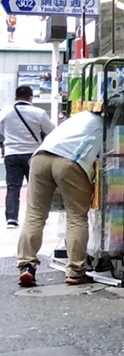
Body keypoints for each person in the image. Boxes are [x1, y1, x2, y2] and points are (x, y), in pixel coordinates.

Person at [15, 110, 104, 288]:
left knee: (34, 214)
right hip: (70, 161)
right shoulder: (105, 126)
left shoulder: (79, 117)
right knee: (76, 217)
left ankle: (27, 265)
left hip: (40, 157)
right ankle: (75, 271)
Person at [1, 85, 55, 229]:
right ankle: (36, 215)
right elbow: (52, 130)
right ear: (31, 98)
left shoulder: (5, 112)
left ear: (15, 97)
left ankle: (12, 218)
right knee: (35, 186)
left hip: (11, 153)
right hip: (33, 154)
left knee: (13, 187)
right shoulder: (39, 112)